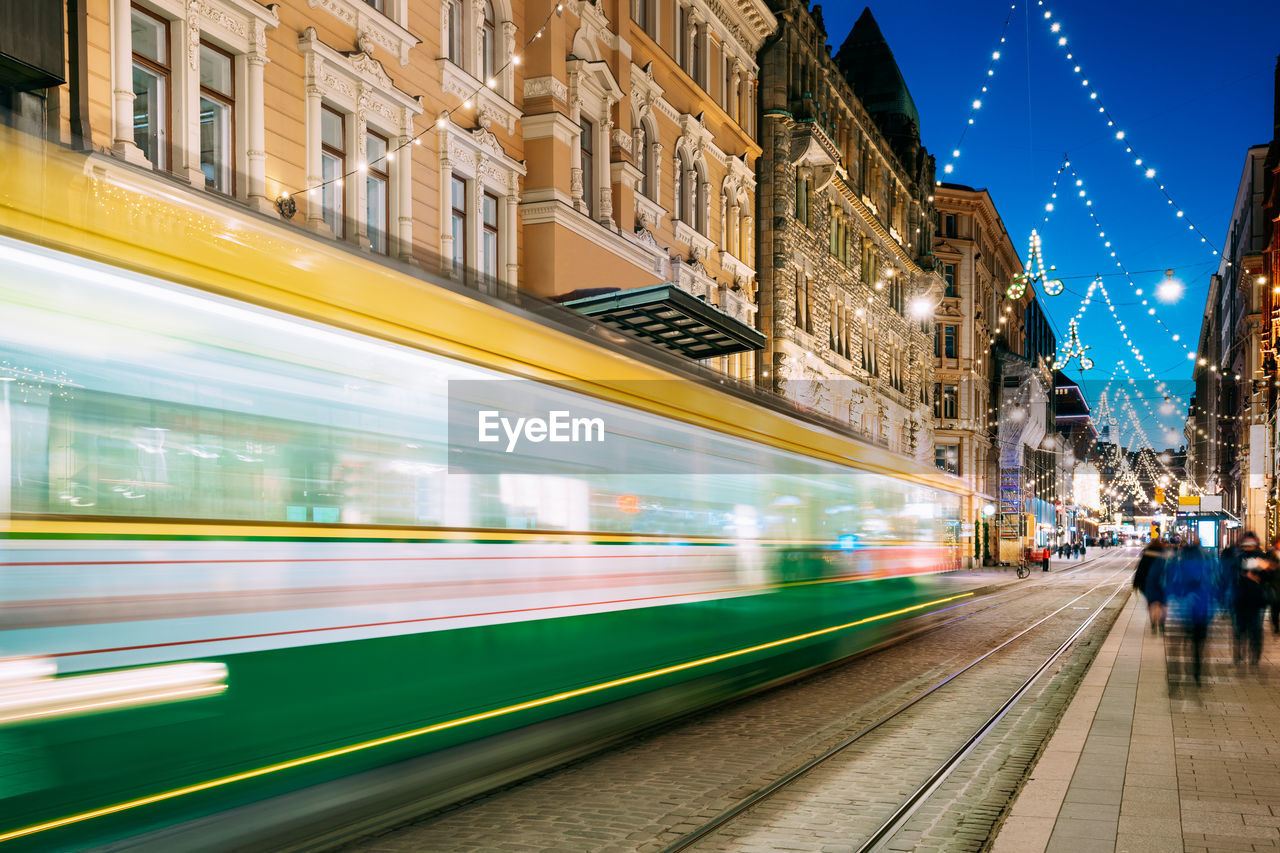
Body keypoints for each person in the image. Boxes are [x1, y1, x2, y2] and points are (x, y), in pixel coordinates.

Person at [1167, 539, 1216, 686]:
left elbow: (1171, 585)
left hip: (1183, 610)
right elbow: (1213, 585)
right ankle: (1197, 671)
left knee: (1178, 641)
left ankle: (1176, 672)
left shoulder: (1179, 564)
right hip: (1202, 610)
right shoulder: (1206, 564)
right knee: (1198, 642)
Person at [1224, 532, 1268, 667]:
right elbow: (1231, 575)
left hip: (1256, 599)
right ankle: (1239, 653)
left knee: (1255, 628)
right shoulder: (1238, 557)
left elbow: (1269, 576)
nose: (1248, 547)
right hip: (1241, 598)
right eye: (1246, 544)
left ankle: (1254, 654)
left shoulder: (1262, 558)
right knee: (1240, 628)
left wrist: (1255, 576)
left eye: (1251, 544)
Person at [1135, 537, 1169, 634]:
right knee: (1162, 604)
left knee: (1151, 603)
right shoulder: (1164, 553)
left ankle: (1153, 622)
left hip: (1148, 582)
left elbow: (1140, 569)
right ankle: (1162, 623)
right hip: (1163, 583)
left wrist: (1136, 583)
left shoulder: (1146, 554)